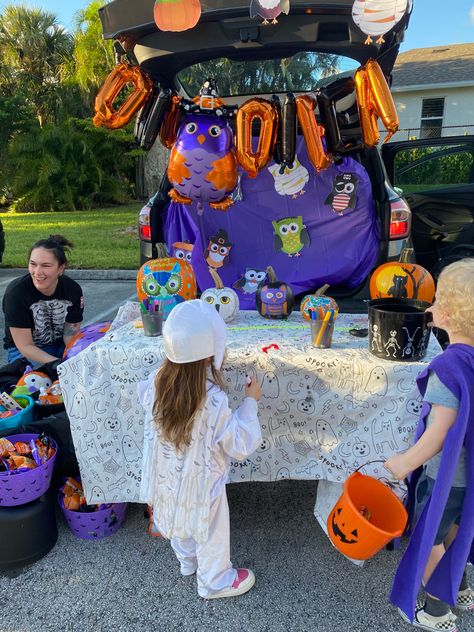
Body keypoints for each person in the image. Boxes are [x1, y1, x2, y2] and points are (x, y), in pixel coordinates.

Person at [138, 299, 262, 599]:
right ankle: (215, 581)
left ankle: (187, 562)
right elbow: (240, 443)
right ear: (211, 356)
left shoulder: (156, 383)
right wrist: (251, 401)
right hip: (205, 480)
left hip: (166, 472)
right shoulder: (214, 401)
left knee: (176, 511)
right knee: (210, 528)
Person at [384, 258, 474, 632]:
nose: (430, 307)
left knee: (430, 538)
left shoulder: (448, 368)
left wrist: (404, 463)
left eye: (436, 300)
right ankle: (463, 588)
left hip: (445, 477)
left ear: (448, 315)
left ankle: (438, 611)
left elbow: (438, 434)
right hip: (468, 478)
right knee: (456, 528)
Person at [2, 235, 84, 365]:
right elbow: (25, 346)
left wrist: (74, 357)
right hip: (24, 352)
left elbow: (70, 335)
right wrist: (57, 364)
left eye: (46, 265)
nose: (37, 272)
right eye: (33, 264)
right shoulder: (16, 293)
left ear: (61, 268)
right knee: (38, 380)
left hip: (60, 345)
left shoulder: (72, 289)